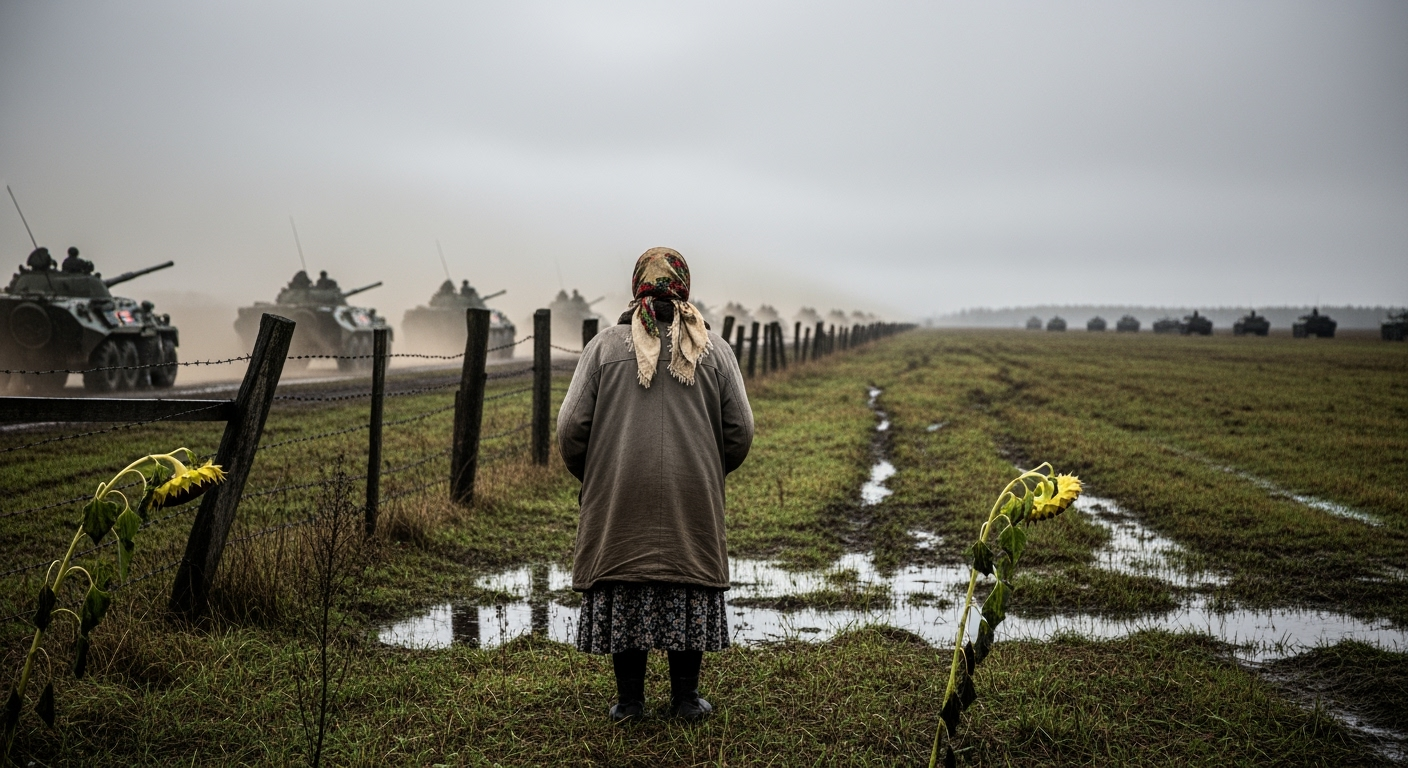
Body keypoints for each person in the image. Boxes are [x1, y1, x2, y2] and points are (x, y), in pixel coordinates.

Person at [557, 247, 753, 722]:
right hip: (693, 496)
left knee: (626, 583)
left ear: (636, 285)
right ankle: (686, 700)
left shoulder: (604, 347)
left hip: (621, 495)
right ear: (684, 287)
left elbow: (569, 430)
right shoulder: (715, 350)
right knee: (687, 584)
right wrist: (705, 467)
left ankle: (629, 703)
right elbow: (740, 431)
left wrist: (603, 470)